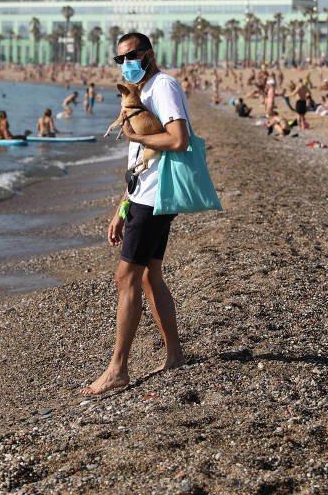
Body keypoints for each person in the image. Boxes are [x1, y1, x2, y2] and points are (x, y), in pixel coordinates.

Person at [81, 32, 188, 396]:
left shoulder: (163, 86)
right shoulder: (139, 94)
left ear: (148, 54)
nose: (126, 62)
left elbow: (178, 140)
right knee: (148, 276)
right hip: (143, 196)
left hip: (157, 198)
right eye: (120, 58)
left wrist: (138, 137)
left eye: (132, 55)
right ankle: (175, 354)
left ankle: (117, 370)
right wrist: (121, 208)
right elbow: (136, 163)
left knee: (126, 276)